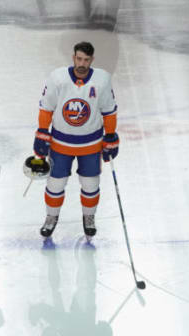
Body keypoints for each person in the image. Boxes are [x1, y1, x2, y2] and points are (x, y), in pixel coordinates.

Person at [34, 41, 118, 238]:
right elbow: (46, 107)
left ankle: (89, 217)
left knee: (91, 185)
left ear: (92, 60)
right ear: (73, 58)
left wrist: (111, 136)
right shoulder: (57, 78)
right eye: (79, 59)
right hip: (60, 144)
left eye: (86, 60)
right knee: (55, 184)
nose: (82, 63)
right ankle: (51, 217)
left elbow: (109, 111)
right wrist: (42, 132)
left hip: (90, 144)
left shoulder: (102, 80)